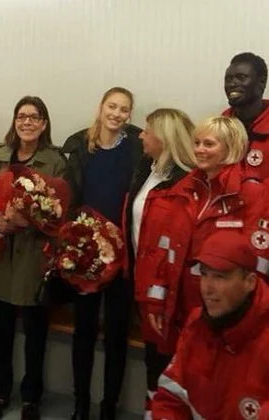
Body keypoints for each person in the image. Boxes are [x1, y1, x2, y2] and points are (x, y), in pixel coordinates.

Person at [146, 117, 269, 367]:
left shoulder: (251, 194)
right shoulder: (185, 188)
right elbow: (165, 248)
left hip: (224, 313)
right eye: (197, 143)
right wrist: (156, 299)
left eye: (209, 144)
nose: (200, 150)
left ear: (231, 147)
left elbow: (257, 264)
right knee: (174, 380)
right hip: (178, 308)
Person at [0, 96, 67, 420]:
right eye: (21, 116)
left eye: (34, 117)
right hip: (1, 256)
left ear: (44, 123)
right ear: (14, 121)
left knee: (35, 335)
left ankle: (31, 399)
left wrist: (30, 220)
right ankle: (0, 394)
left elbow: (60, 213)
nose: (26, 122)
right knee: (1, 333)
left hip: (34, 260)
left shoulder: (55, 161)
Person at [62, 87, 142, 420]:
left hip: (123, 254)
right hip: (87, 252)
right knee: (83, 331)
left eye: (124, 109)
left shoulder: (138, 146)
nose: (117, 114)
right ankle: (81, 403)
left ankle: (109, 406)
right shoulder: (79, 144)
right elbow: (69, 194)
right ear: (101, 107)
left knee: (116, 335)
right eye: (112, 106)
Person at [122, 108, 196, 418]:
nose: (140, 134)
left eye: (147, 130)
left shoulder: (188, 182)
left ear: (164, 138)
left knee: (170, 366)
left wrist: (161, 292)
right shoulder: (145, 169)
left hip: (168, 295)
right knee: (153, 361)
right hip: (142, 282)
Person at [152, 231, 269, 419]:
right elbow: (171, 398)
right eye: (204, 275)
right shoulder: (196, 323)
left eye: (220, 277)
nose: (207, 288)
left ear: (249, 282)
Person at [222, 52, 269, 183]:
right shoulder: (219, 128)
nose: (232, 84)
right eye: (228, 79)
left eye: (241, 77)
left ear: (262, 82)